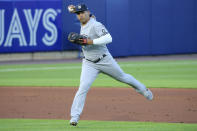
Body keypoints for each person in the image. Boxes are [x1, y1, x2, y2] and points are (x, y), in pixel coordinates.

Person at [67, 4, 153, 126]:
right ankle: (74, 117)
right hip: (89, 63)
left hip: (104, 60)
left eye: (82, 12)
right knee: (82, 88)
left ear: (88, 12)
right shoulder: (84, 19)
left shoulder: (96, 25)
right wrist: (72, 9)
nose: (80, 15)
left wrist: (90, 41)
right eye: (78, 13)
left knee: (123, 77)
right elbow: (75, 11)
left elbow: (108, 38)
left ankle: (143, 89)